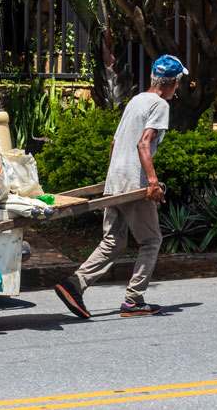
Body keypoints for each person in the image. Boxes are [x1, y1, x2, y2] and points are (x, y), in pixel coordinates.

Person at [54, 54, 187, 318]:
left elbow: (115, 144)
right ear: (171, 83)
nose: (178, 88)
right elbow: (143, 143)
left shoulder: (136, 100)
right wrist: (152, 183)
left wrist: (114, 178)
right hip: (132, 184)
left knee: (113, 240)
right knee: (151, 240)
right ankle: (133, 300)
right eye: (178, 82)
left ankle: (74, 285)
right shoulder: (159, 105)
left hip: (116, 180)